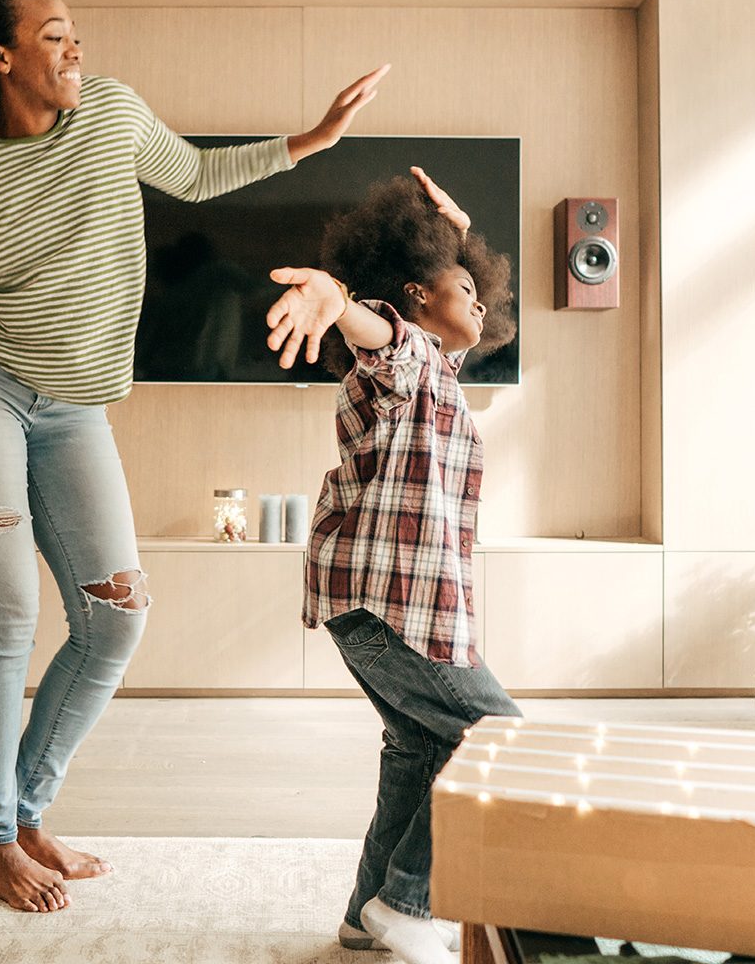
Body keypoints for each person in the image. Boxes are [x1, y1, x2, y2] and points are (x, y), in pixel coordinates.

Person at [0, 0, 388, 913]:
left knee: (115, 619)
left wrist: (310, 140)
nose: (75, 48)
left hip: (76, 407)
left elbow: (196, 174)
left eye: (75, 34)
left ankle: (27, 812)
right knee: (5, 617)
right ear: (1, 59)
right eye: (54, 35)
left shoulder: (112, 114)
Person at [264, 166, 519, 964]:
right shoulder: (398, 363)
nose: (480, 299)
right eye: (462, 285)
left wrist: (464, 232)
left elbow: (455, 306)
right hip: (387, 608)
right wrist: (336, 302)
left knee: (420, 748)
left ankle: (362, 917)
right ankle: (409, 902)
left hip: (379, 606)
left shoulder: (441, 375)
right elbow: (373, 327)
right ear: (413, 295)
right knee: (498, 736)